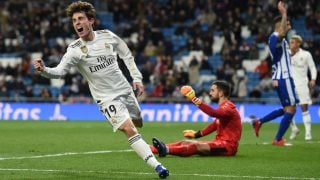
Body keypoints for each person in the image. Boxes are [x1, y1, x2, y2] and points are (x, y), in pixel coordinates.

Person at [32, 1, 169, 179]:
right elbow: (59, 72)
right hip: (106, 98)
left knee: (138, 122)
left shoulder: (108, 36)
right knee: (129, 129)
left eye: (81, 19)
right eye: (74, 20)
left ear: (91, 21)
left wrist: (137, 78)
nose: (77, 23)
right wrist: (44, 70)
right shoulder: (74, 50)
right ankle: (158, 166)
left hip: (125, 90)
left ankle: (155, 148)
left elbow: (126, 54)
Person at [151, 81, 242, 157]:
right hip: (219, 143)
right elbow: (214, 125)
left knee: (197, 146)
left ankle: (166, 150)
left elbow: (213, 113)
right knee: (185, 142)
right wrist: (196, 135)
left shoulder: (228, 107)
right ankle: (153, 149)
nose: (210, 93)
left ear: (221, 93)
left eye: (213, 90)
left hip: (228, 147)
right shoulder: (224, 108)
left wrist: (194, 99)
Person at [252, 1, 299, 146]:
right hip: (284, 77)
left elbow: (282, 55)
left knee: (286, 109)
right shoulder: (275, 37)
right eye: (286, 23)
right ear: (279, 26)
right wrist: (283, 13)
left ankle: (259, 122)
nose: (289, 25)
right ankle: (278, 139)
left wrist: (292, 52)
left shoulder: (279, 39)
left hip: (281, 77)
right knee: (292, 109)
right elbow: (282, 33)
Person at [289, 34, 317, 140]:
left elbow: (312, 67)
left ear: (298, 43)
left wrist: (313, 79)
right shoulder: (287, 54)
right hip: (290, 85)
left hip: (302, 85)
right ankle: (294, 129)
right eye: (290, 42)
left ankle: (308, 133)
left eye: (292, 42)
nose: (290, 44)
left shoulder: (306, 54)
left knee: (304, 108)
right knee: (288, 109)